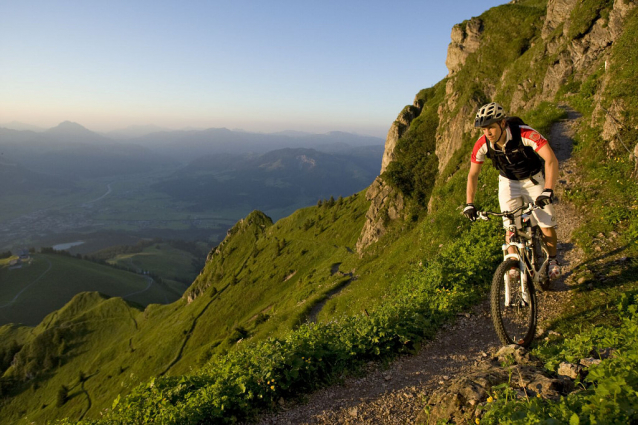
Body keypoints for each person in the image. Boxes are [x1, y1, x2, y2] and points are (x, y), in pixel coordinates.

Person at [463, 102, 560, 279]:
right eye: (484, 129)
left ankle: (552, 259)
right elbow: (473, 174)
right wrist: (469, 203)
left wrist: (548, 190)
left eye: (491, 127)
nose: (488, 133)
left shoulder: (525, 133)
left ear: (502, 123)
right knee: (510, 226)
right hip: (508, 181)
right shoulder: (482, 144)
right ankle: (513, 262)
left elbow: (551, 159)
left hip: (533, 179)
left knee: (546, 223)